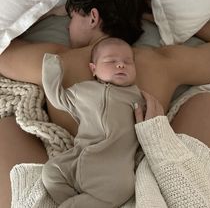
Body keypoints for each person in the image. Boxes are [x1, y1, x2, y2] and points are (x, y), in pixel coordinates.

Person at [0, 0, 210, 207]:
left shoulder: (57, 59)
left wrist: (46, 13)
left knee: (7, 126)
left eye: (71, 18)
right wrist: (161, 19)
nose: (68, 27)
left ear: (92, 17)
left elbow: (3, 45)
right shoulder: (164, 63)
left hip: (69, 181)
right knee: (209, 104)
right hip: (135, 182)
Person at [41, 38, 143, 207]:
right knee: (51, 172)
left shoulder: (138, 97)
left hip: (114, 171)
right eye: (111, 61)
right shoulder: (83, 90)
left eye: (128, 62)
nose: (120, 65)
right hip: (79, 157)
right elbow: (58, 99)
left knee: (114, 191)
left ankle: (79, 203)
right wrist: (51, 69)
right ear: (93, 69)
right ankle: (77, 201)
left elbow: (149, 125)